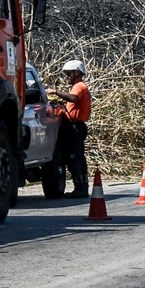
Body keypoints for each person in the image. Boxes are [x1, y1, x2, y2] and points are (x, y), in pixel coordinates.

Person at [49, 59, 92, 199]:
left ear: (77, 73)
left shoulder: (79, 86)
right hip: (76, 126)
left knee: (73, 157)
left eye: (68, 74)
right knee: (78, 157)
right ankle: (82, 186)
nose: (66, 77)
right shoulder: (79, 86)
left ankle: (80, 188)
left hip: (75, 127)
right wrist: (62, 102)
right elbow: (73, 103)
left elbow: (73, 98)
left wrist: (56, 92)